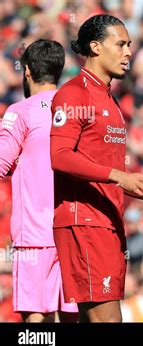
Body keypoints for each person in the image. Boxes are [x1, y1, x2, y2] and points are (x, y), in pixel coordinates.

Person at [49, 14, 143, 323]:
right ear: (96, 47)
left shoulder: (110, 100)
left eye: (130, 45)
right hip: (84, 220)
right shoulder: (74, 94)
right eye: (121, 44)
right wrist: (118, 176)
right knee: (109, 321)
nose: (129, 52)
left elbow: (113, 170)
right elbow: (58, 156)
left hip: (109, 221)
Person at [0, 39, 78, 323]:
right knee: (71, 315)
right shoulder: (74, 112)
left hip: (34, 234)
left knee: (36, 318)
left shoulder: (20, 112)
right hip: (72, 230)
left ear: (28, 71)